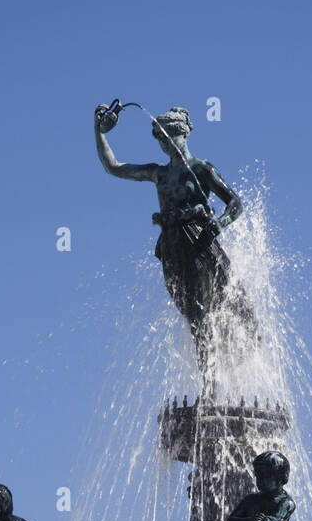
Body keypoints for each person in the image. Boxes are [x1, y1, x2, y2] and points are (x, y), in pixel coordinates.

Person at [94, 103, 255, 372]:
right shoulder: (159, 173)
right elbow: (113, 167)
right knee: (192, 315)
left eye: (171, 138)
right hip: (171, 247)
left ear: (184, 134)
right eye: (161, 140)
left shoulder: (202, 169)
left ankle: (212, 379)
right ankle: (210, 374)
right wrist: (100, 133)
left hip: (199, 243)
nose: (166, 145)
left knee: (204, 313)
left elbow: (235, 203)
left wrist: (221, 223)